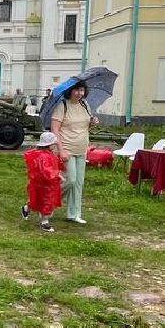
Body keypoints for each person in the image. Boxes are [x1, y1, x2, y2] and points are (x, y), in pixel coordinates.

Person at [52, 82, 99, 224]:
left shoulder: (85, 105)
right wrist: (61, 150)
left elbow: (85, 126)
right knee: (70, 180)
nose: (80, 93)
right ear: (70, 91)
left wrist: (93, 122)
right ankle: (48, 201)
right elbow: (54, 129)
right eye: (76, 90)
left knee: (78, 183)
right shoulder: (62, 106)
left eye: (82, 90)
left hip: (81, 148)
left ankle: (74, 214)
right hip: (67, 148)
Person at [21, 131, 63, 233]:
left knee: (37, 200)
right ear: (50, 145)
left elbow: (54, 165)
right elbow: (46, 170)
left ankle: (26, 208)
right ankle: (45, 222)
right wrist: (56, 175)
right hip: (46, 184)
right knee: (46, 201)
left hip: (41, 183)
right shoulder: (44, 156)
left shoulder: (43, 154)